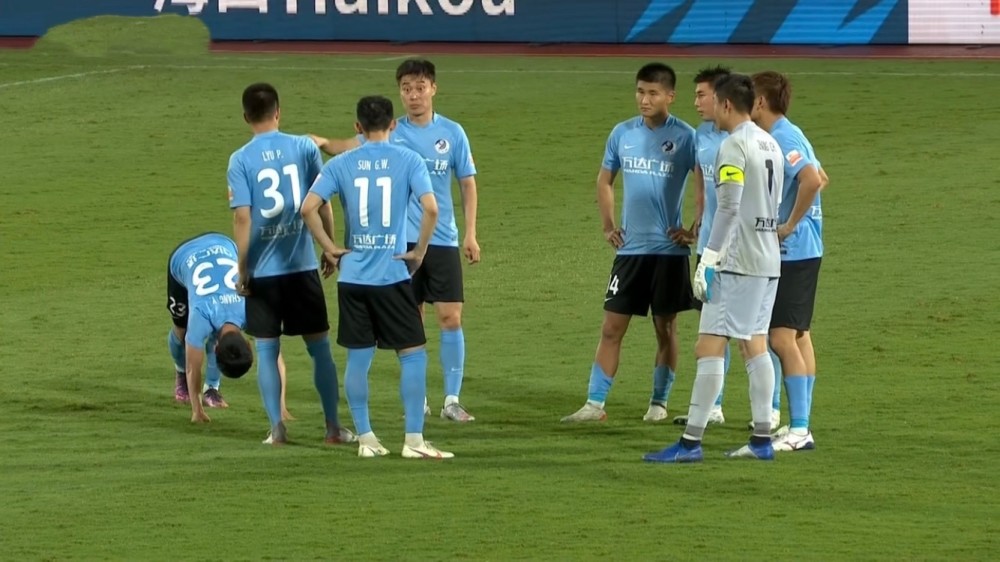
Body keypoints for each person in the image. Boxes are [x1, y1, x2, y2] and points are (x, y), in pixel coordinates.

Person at [309, 58, 480, 423]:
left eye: (420, 87)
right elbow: (348, 147)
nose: (413, 95)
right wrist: (322, 142)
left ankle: (452, 399)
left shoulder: (452, 133)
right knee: (411, 322)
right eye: (406, 89)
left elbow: (467, 183)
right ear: (399, 94)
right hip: (400, 244)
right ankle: (419, 402)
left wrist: (470, 232)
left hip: (442, 239)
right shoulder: (391, 131)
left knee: (450, 317)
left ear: (433, 88)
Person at [301, 95, 454, 459]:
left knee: (358, 359)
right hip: (391, 275)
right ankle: (414, 441)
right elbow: (432, 209)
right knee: (412, 355)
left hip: (353, 277)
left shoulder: (341, 162)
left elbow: (308, 208)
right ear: (393, 125)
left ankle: (367, 439)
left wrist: (329, 247)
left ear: (358, 128)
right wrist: (419, 251)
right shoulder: (409, 160)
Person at [643, 73, 783, 463]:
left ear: (726, 104)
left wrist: (708, 258)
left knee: (708, 346)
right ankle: (761, 439)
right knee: (755, 344)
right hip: (768, 259)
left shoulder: (733, 146)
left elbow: (729, 207)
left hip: (736, 262)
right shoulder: (770, 142)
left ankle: (691, 443)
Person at [560, 62, 698, 423]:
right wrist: (608, 225)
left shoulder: (686, 136)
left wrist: (695, 227)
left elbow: (706, 183)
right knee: (611, 327)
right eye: (640, 91)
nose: (644, 99)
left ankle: (659, 403)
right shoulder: (622, 133)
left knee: (665, 328)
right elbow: (604, 180)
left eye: (653, 93)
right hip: (630, 251)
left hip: (669, 252)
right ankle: (594, 404)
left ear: (670, 96)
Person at [227, 82, 354, 446]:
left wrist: (243, 268)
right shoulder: (303, 147)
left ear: (246, 117)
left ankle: (277, 430)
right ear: (278, 112)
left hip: (263, 274)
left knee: (268, 352)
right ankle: (333, 428)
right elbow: (322, 201)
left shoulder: (240, 160)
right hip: (300, 267)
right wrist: (328, 246)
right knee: (320, 350)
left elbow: (242, 218)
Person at [750, 71, 829, 452]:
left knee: (780, 337)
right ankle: (801, 423)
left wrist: (788, 224)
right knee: (798, 336)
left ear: (760, 102)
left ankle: (800, 429)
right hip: (806, 249)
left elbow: (813, 180)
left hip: (793, 251)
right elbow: (822, 175)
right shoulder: (791, 132)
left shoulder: (783, 137)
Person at [671, 65, 733, 427]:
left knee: (753, 333)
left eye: (701, 95)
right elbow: (702, 189)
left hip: (737, 249)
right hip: (707, 248)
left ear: (721, 97)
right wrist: (695, 227)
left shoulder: (742, 137)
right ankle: (714, 406)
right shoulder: (701, 135)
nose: (695, 102)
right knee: (711, 329)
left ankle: (771, 410)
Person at [166, 232, 254, 423]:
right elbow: (193, 367)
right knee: (182, 332)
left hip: (224, 243)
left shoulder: (252, 310)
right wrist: (196, 410)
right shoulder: (201, 316)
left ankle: (212, 389)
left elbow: (274, 351)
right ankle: (179, 374)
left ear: (249, 343)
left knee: (216, 331)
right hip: (182, 257)